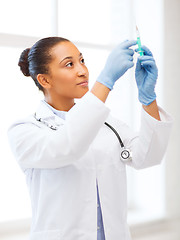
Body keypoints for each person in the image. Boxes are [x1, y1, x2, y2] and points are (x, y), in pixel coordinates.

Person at [7, 37, 173, 240]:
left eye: (82, 60)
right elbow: (67, 146)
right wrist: (106, 81)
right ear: (45, 80)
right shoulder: (25, 130)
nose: (82, 70)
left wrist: (148, 99)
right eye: (69, 64)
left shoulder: (106, 124)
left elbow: (148, 157)